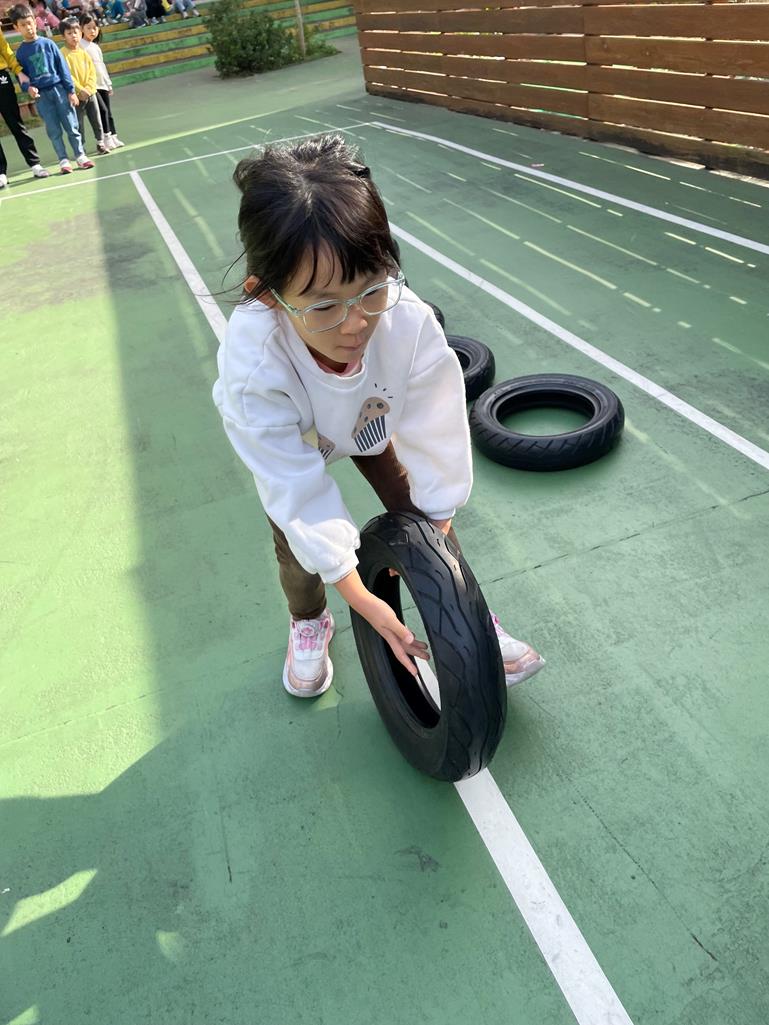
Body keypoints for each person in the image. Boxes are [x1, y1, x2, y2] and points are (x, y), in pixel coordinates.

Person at [212, 135, 545, 698]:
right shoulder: (253, 368)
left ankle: (470, 609)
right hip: (302, 438)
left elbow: (436, 429)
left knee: (421, 508)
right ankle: (308, 621)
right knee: (296, 546)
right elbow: (294, 488)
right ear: (267, 295)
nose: (355, 324)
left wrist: (429, 563)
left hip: (369, 419)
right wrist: (359, 595)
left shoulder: (406, 320)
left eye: (370, 290)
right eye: (323, 305)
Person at [10, 4, 94, 174]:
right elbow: (22, 77)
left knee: (71, 125)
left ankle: (80, 155)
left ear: (35, 22)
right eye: (23, 25)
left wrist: (70, 91)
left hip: (60, 91)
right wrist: (28, 88)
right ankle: (63, 160)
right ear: (16, 28)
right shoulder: (20, 53)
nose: (28, 28)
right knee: (53, 129)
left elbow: (63, 68)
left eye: (30, 23)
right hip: (42, 97)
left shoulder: (48, 44)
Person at [0, 25, 50, 187]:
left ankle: (34, 164)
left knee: (15, 123)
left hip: (1, 78)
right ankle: (1, 172)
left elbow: (6, 50)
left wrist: (18, 71)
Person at [59, 15, 107, 154]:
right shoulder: (62, 54)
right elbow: (67, 75)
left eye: (76, 32)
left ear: (80, 33)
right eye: (69, 33)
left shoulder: (83, 52)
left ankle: (100, 143)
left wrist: (89, 88)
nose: (74, 36)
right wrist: (79, 90)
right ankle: (81, 147)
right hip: (76, 96)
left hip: (90, 93)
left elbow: (92, 72)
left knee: (96, 119)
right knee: (78, 123)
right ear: (63, 36)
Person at [79, 14, 123, 147]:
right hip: (92, 85)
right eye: (88, 28)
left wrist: (108, 84)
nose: (92, 31)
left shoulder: (95, 46)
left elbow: (101, 66)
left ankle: (113, 136)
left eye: (95, 28)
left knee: (108, 112)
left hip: (102, 83)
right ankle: (106, 138)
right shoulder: (81, 46)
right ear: (81, 28)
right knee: (102, 111)